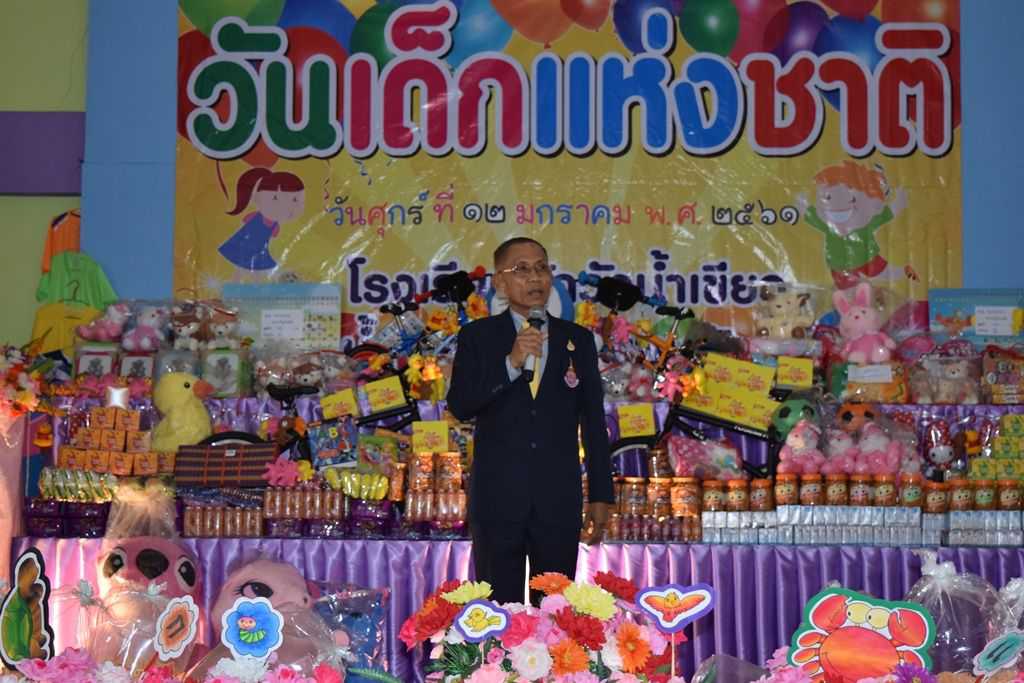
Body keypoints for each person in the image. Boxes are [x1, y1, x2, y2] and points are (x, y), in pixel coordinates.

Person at [446, 237, 613, 605]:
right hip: (497, 497)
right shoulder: (478, 337)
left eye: (541, 267)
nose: (535, 277)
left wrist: (601, 494)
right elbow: (460, 405)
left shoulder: (578, 340)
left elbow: (593, 421)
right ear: (500, 282)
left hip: (558, 498)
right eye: (521, 269)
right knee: (497, 610)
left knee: (554, 611)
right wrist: (511, 364)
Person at [218, 167, 305, 280]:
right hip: (245, 248)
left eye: (295, 200)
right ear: (256, 197)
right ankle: (235, 283)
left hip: (260, 251)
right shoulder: (254, 217)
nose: (286, 206)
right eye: (275, 198)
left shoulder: (275, 226)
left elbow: (271, 242)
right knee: (240, 270)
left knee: (257, 271)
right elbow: (242, 230)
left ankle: (256, 286)